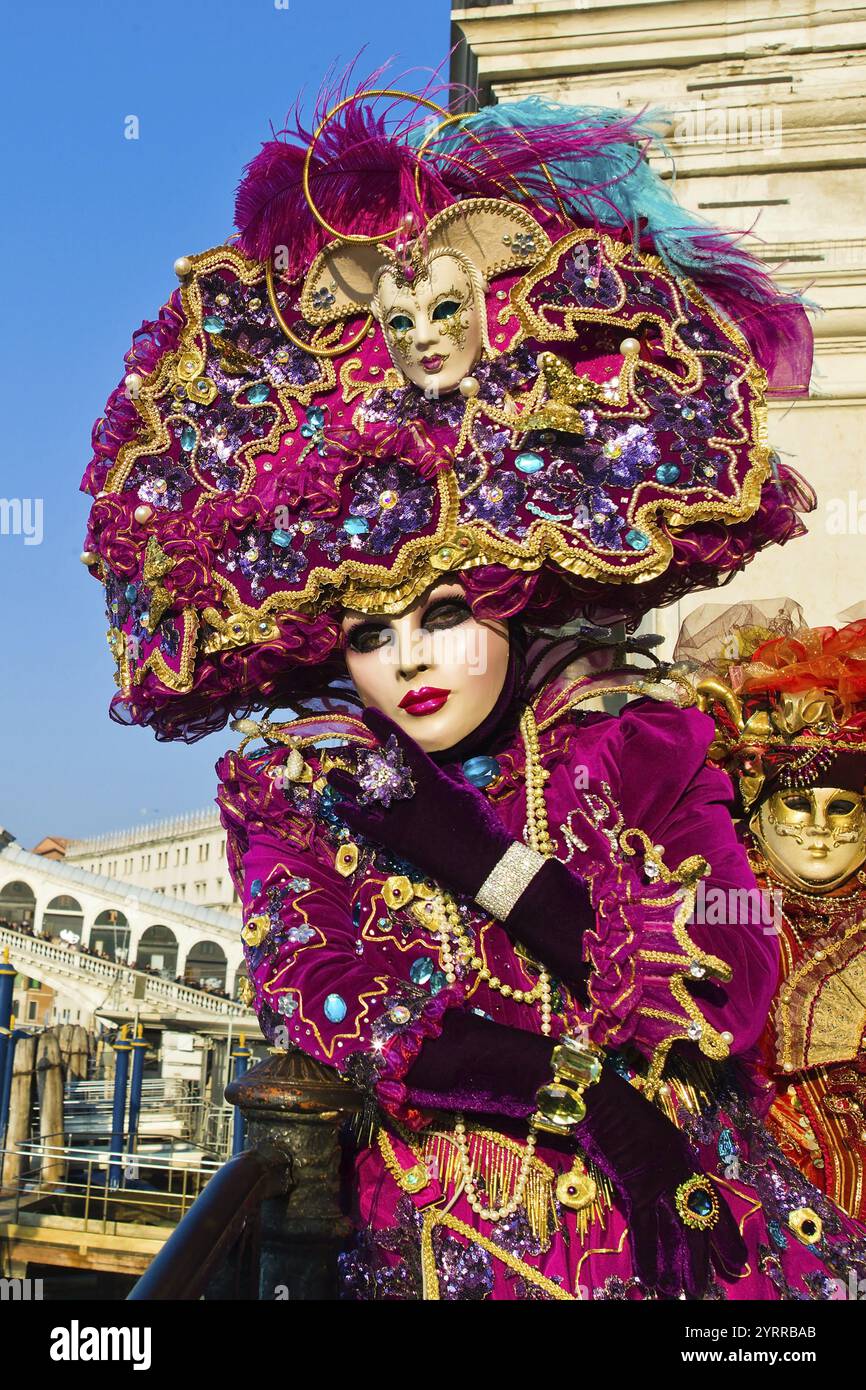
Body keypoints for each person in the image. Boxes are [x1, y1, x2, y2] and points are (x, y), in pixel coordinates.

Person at [80, 69, 864, 1298]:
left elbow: (728, 969)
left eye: (442, 613)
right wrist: (579, 1088)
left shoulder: (632, 740)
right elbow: (332, 1000)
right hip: (442, 1237)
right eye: (366, 630)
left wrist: (474, 855)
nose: (405, 659)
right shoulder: (306, 787)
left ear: (508, 590)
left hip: (671, 1221)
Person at [679, 601, 866, 1223]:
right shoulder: (722, 913)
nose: (819, 829)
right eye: (794, 806)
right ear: (755, 816)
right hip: (765, 1191)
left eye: (841, 807)